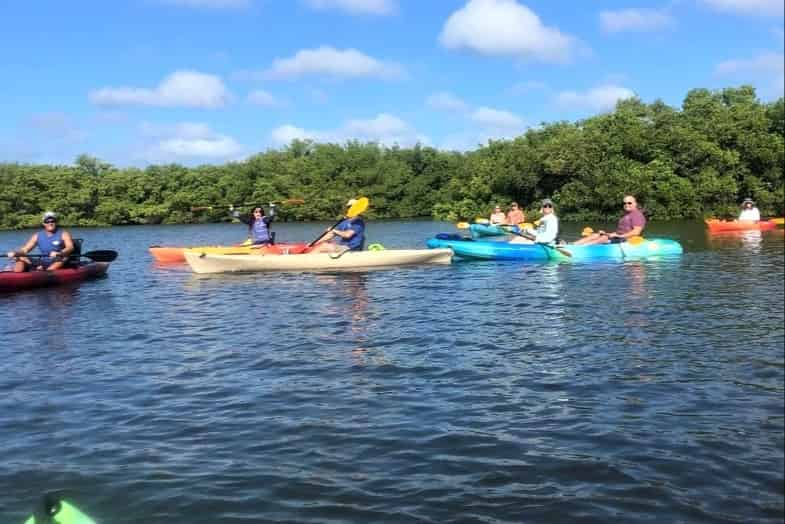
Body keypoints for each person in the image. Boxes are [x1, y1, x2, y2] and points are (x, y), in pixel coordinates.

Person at [6, 211, 75, 272]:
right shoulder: (37, 235)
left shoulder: (64, 234)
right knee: (20, 257)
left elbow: (70, 247)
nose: (50, 223)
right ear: (44, 223)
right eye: (47, 221)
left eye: (52, 221)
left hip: (58, 260)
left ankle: (46, 271)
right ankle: (16, 273)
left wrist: (59, 253)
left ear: (56, 222)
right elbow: (25, 250)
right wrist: (15, 253)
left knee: (64, 257)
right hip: (42, 261)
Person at [573, 195, 646, 245]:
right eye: (624, 203)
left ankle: (582, 248)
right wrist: (608, 234)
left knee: (604, 237)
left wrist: (621, 236)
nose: (627, 204)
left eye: (629, 203)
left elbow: (636, 232)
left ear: (635, 203)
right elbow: (619, 232)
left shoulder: (637, 215)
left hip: (629, 240)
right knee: (597, 234)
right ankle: (573, 245)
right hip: (620, 237)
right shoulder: (626, 215)